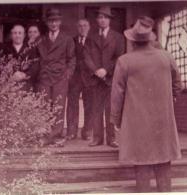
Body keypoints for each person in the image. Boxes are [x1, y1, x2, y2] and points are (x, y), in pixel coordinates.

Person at [110, 16, 182, 192]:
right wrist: (168, 101)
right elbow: (177, 85)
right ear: (151, 38)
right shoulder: (166, 57)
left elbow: (117, 94)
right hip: (163, 121)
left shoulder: (125, 61)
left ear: (133, 41)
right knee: (164, 162)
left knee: (141, 164)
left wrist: (117, 120)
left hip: (137, 122)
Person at [84, 6, 125, 147]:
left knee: (110, 109)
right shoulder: (90, 38)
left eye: (105, 17)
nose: (102, 20)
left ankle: (111, 138)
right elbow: (86, 57)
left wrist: (106, 70)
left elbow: (119, 57)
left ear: (109, 20)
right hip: (95, 79)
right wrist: (96, 70)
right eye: (100, 17)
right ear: (96, 20)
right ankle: (97, 138)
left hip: (110, 78)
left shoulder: (118, 37)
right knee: (96, 109)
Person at [37, 8, 76, 146]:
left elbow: (72, 59)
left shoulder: (67, 39)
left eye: (56, 21)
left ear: (60, 22)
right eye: (51, 21)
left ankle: (57, 136)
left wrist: (67, 74)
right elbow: (35, 58)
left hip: (60, 77)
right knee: (44, 106)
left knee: (58, 106)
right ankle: (45, 136)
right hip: (44, 77)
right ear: (47, 23)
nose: (54, 24)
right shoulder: (40, 39)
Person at [66, 19, 92, 141]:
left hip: (89, 78)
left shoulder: (93, 41)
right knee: (72, 104)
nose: (82, 28)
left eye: (85, 26)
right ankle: (71, 132)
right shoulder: (71, 41)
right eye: (80, 26)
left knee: (89, 105)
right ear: (77, 28)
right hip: (75, 78)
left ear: (89, 27)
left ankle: (87, 131)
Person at [0, 23, 40, 92]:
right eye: (15, 33)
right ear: (11, 35)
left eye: (20, 33)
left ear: (24, 35)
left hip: (25, 85)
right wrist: (12, 75)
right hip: (8, 84)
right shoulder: (3, 47)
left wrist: (24, 75)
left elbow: (35, 66)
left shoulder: (31, 49)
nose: (17, 35)